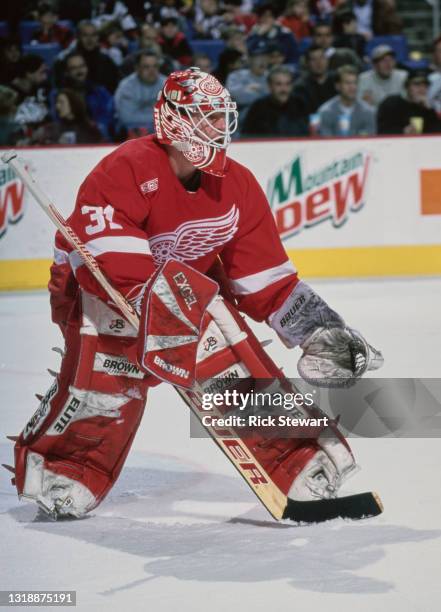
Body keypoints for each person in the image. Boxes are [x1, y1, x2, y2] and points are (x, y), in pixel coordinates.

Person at [10, 66, 382, 519]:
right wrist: (168, 313)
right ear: (173, 120)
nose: (217, 129)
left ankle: (297, 461)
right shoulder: (125, 168)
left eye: (220, 118)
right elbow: (108, 266)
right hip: (96, 293)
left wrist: (317, 330)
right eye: (205, 118)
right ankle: (64, 469)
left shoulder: (237, 185)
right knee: (107, 385)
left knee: (231, 361)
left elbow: (265, 277)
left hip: (182, 294)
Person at [59, 52, 114, 139]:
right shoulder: (59, 94)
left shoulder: (99, 91)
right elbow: (57, 118)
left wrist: (94, 126)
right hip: (69, 132)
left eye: (82, 66)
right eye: (74, 68)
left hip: (95, 132)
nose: (79, 71)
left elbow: (107, 116)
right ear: (67, 72)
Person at [242, 66, 309, 136]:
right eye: (278, 84)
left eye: (287, 84)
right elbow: (247, 136)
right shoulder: (258, 107)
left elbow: (305, 134)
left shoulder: (299, 104)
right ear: (269, 86)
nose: (284, 89)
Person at [56, 20, 120, 93]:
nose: (90, 39)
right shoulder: (66, 60)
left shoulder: (106, 61)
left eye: (93, 35)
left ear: (98, 37)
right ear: (78, 37)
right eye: (85, 35)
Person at [114, 50, 166, 133]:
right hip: (131, 134)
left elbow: (173, 116)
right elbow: (127, 118)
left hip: (160, 133)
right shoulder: (126, 86)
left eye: (155, 66)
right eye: (146, 67)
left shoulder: (167, 85)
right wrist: (159, 117)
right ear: (137, 68)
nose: (151, 70)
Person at [377, 70, 441, 135]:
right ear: (407, 86)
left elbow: (437, 132)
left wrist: (429, 110)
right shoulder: (391, 103)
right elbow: (382, 131)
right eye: (417, 84)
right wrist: (403, 131)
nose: (422, 89)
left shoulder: (427, 107)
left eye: (425, 86)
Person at [318, 64, 376, 135]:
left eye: (354, 83)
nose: (352, 87)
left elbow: (369, 141)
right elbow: (324, 143)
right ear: (338, 86)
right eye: (347, 83)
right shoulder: (326, 112)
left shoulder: (368, 112)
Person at [31, 88, 103, 144]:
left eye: (61, 102)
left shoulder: (90, 129)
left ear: (73, 104)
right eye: (57, 102)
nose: (57, 106)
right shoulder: (51, 129)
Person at [293, 44, 336, 114]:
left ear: (327, 60)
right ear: (307, 63)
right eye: (313, 59)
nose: (319, 63)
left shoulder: (337, 80)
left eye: (322, 58)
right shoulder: (300, 87)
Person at [226, 48, 269, 117]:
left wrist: (248, 89)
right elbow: (238, 98)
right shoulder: (236, 76)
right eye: (258, 59)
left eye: (265, 59)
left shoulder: (271, 76)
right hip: (243, 115)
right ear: (250, 60)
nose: (262, 62)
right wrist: (263, 92)